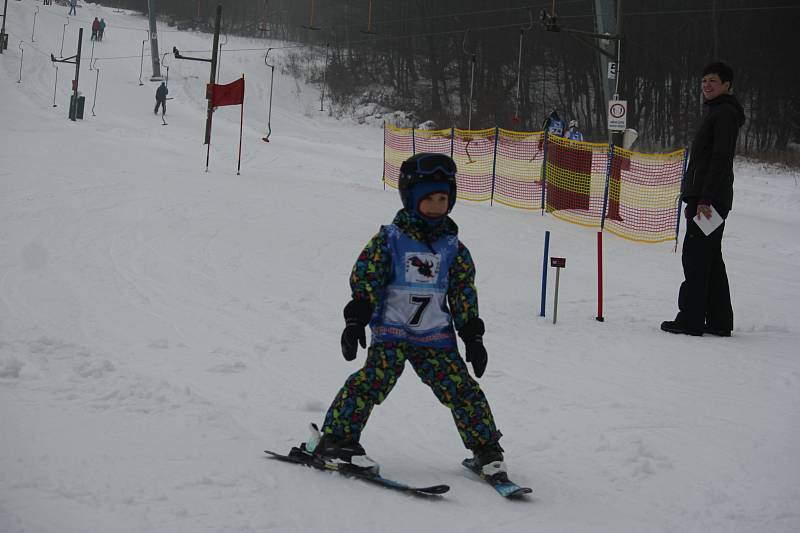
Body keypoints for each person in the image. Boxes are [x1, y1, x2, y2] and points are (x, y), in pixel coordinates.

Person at [309, 152, 508, 480]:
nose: (436, 206)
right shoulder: (390, 240)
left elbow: (462, 295)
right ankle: (337, 441)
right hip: (393, 332)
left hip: (436, 337)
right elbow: (366, 278)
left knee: (463, 390)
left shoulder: (453, 249)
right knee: (371, 382)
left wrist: (472, 337)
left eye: (443, 198)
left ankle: (487, 450)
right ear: (411, 198)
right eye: (428, 199)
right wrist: (356, 318)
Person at [661, 61, 745, 337]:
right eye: (704, 81)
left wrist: (704, 198)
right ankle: (720, 321)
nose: (707, 85)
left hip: (709, 200)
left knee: (696, 257)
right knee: (710, 258)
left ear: (727, 85)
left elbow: (719, 160)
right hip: (707, 197)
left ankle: (691, 319)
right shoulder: (718, 112)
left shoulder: (723, 114)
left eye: (713, 80)